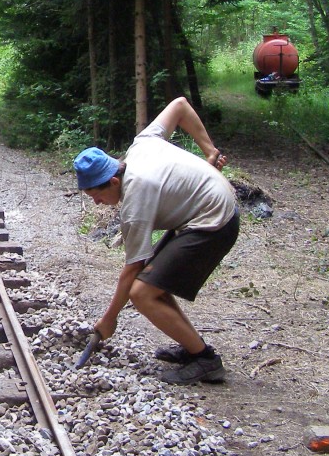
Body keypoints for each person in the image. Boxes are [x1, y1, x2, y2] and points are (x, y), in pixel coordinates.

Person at [73, 97, 238, 385]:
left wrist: (109, 319)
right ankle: (193, 347)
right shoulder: (141, 144)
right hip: (204, 210)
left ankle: (205, 360)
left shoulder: (135, 201)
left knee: (142, 293)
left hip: (214, 221)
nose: (98, 203)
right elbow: (180, 105)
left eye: (96, 196)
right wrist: (209, 153)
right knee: (152, 284)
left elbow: (131, 271)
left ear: (113, 181)